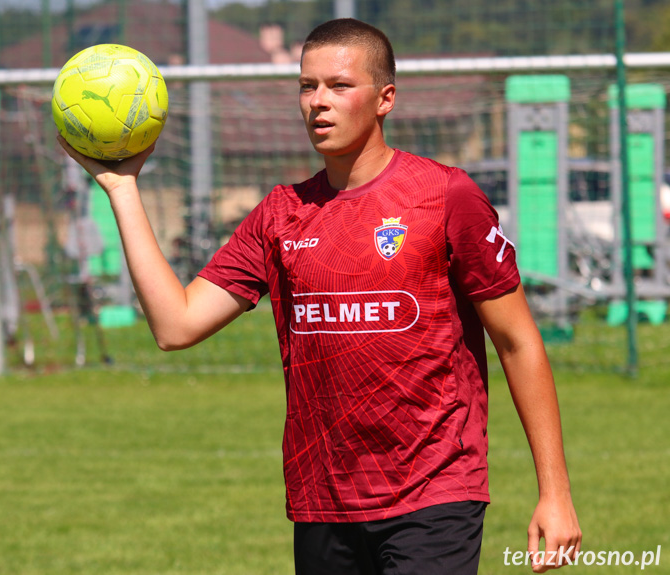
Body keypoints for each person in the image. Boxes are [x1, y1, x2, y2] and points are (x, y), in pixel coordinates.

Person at [58, 17, 581, 575]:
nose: (318, 102)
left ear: (385, 98)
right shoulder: (281, 213)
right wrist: (122, 188)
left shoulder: (445, 195)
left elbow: (518, 341)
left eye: (339, 86)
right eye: (307, 87)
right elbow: (175, 325)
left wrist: (555, 492)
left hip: (434, 493)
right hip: (321, 500)